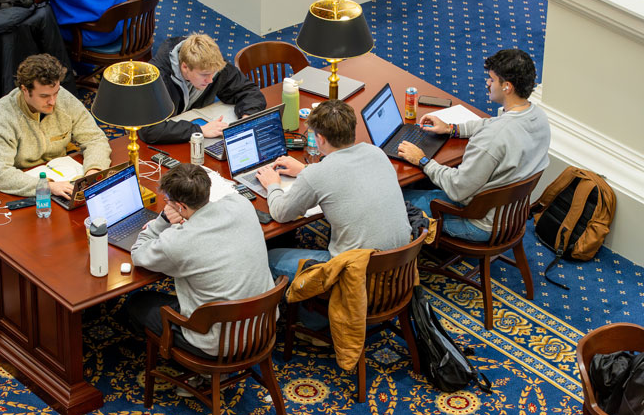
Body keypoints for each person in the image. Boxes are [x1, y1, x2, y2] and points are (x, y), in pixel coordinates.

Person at [397, 48, 550, 241]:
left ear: (507, 87)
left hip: (477, 223)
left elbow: (458, 189)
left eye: (492, 79)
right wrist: (451, 128)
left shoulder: (492, 139)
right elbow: (491, 123)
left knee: (395, 198)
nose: (487, 83)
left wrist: (423, 160)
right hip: (512, 214)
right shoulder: (538, 117)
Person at [125, 164, 275, 359]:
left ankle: (194, 373)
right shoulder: (241, 204)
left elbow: (138, 254)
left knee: (137, 303)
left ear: (180, 206)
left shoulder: (178, 242)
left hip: (218, 345)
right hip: (262, 325)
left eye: (168, 201)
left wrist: (162, 219)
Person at [255, 100, 411, 285]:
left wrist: (273, 184)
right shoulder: (376, 152)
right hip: (400, 267)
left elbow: (281, 213)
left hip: (356, 277)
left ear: (320, 138)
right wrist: (305, 169)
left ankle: (296, 312)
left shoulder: (318, 174)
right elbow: (345, 173)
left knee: (271, 258)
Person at [0, 54, 111, 198]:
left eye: (55, 93)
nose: (53, 101)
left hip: (63, 177)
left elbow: (95, 139)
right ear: (25, 90)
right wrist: (47, 187)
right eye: (44, 96)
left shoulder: (63, 98)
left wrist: (93, 172)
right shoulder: (2, 117)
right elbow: (1, 174)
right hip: (24, 186)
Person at [139, 34, 267, 144]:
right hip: (163, 141)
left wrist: (246, 118)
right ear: (185, 67)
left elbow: (249, 91)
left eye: (213, 73)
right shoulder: (156, 77)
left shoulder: (211, 65)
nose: (210, 80)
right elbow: (148, 129)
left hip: (186, 132)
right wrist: (199, 130)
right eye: (204, 75)